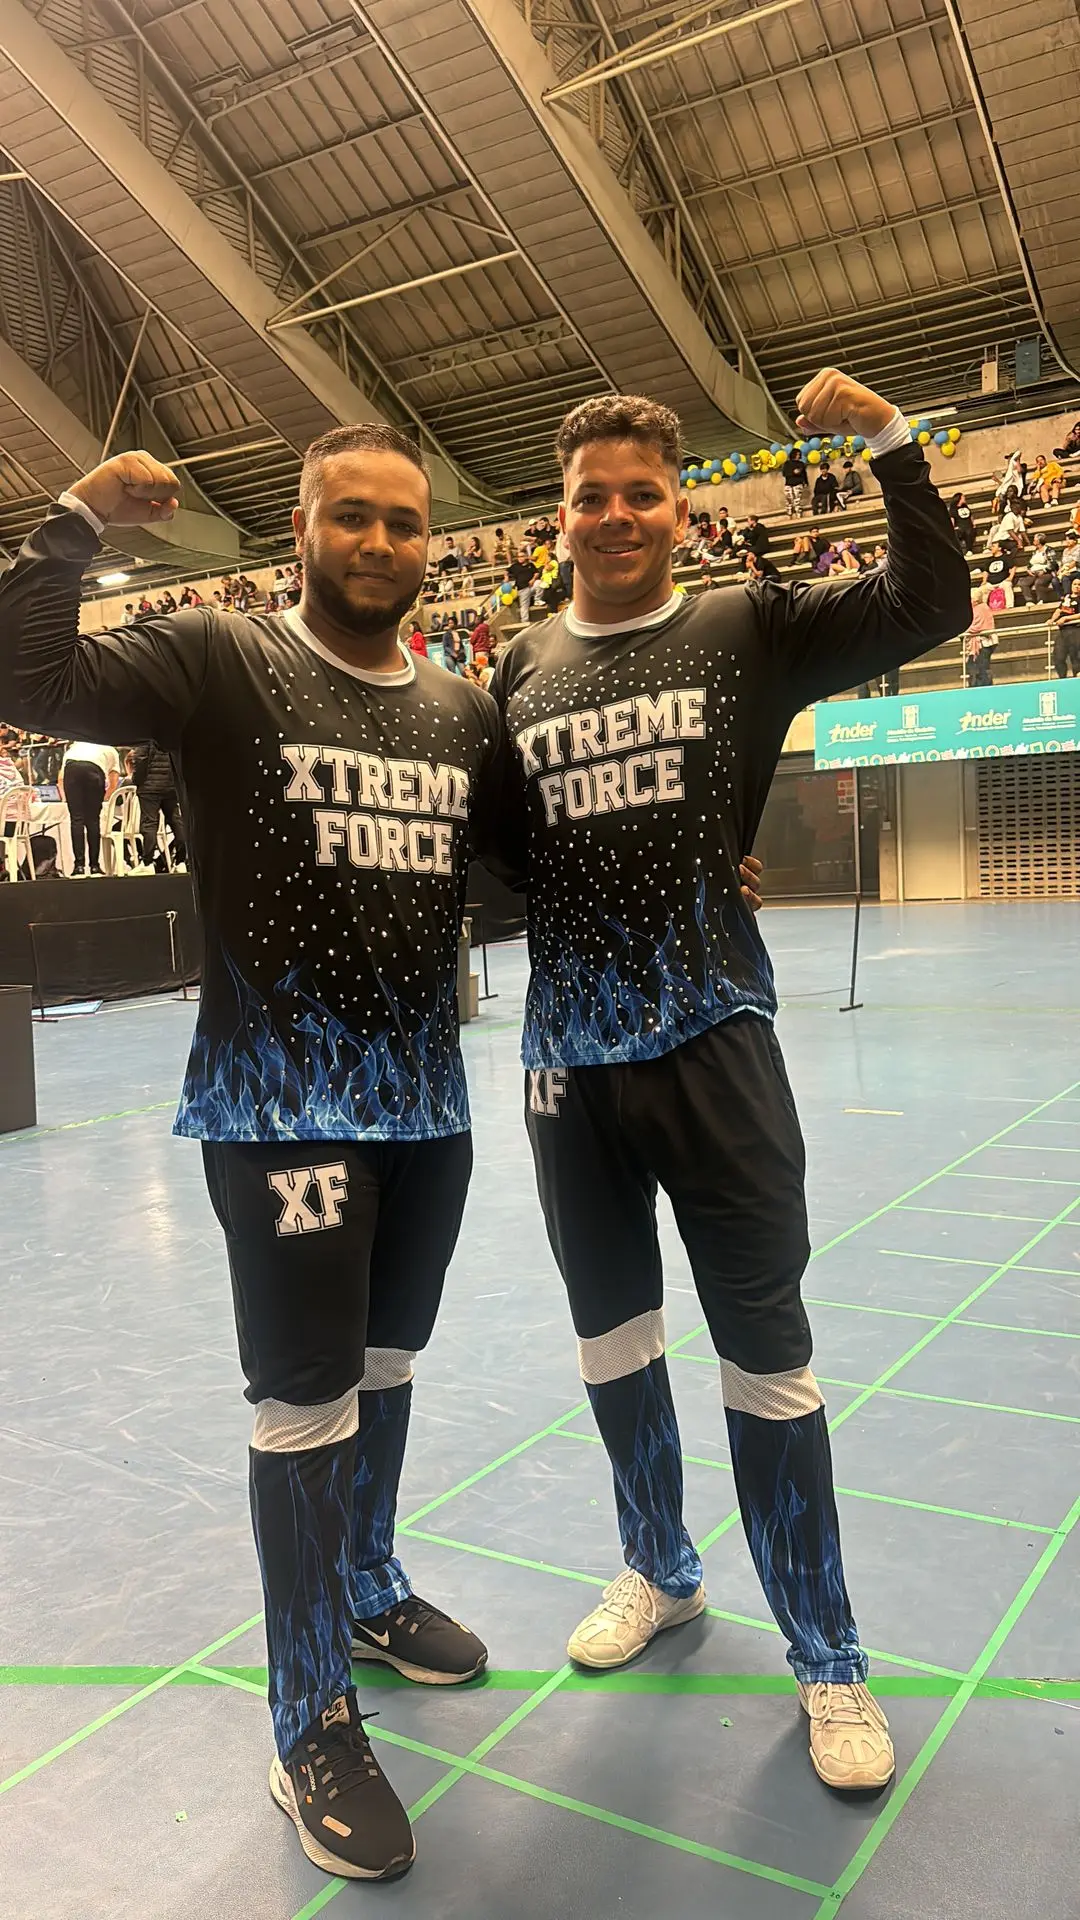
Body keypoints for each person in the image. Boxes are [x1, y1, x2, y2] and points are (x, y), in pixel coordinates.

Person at [0, 426, 509, 1885]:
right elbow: (25, 676)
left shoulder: (460, 710)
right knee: (305, 1402)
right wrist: (75, 521)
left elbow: (541, 857)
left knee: (388, 1369)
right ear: (301, 531)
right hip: (282, 1113)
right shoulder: (220, 657)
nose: (379, 542)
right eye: (351, 516)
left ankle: (366, 1586)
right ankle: (309, 1724)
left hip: (426, 1112)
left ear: (430, 544)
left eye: (404, 521)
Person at [491, 370, 971, 1795]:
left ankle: (826, 1657)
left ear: (680, 509)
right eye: (591, 496)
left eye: (642, 493)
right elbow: (504, 851)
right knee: (613, 1342)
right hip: (568, 1064)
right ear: (559, 516)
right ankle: (660, 1566)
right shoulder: (520, 665)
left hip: (715, 1041)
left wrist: (890, 444)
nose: (616, 514)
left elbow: (931, 603)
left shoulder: (747, 627)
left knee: (768, 1357)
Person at [59, 738, 120, 875]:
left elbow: (61, 779)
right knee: (93, 820)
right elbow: (113, 783)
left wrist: (66, 798)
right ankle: (94, 866)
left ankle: (78, 866)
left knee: (76, 820)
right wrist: (102, 799)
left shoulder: (75, 746)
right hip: (94, 770)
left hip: (71, 768)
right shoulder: (111, 750)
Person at [129, 742, 186, 871]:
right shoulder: (172, 737)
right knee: (176, 821)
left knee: (149, 823)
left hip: (149, 788)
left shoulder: (147, 737)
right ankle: (181, 861)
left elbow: (140, 758)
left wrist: (137, 780)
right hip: (170, 787)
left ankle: (148, 863)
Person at [1050, 580, 1080, 676]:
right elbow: (1058, 610)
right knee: (1058, 657)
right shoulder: (1067, 598)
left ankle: (1077, 677)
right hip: (1062, 631)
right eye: (1075, 584)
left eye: (1079, 585)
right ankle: (1062, 678)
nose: (1077, 586)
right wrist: (1052, 619)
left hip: (1076, 630)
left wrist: (1066, 618)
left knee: (1075, 656)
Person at [963, 597, 995, 686]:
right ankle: (976, 684)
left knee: (982, 667)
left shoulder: (981, 608)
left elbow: (977, 625)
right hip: (978, 642)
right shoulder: (976, 609)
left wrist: (964, 630)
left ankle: (984, 685)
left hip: (983, 642)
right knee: (976, 667)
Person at [784, 450, 807, 515]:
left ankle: (798, 514)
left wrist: (805, 482)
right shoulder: (787, 464)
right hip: (789, 484)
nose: (798, 456)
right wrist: (793, 472)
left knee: (797, 500)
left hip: (798, 484)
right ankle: (790, 514)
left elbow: (804, 474)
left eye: (799, 455)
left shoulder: (801, 464)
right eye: (797, 454)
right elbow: (784, 473)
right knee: (789, 501)